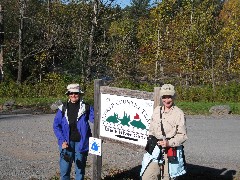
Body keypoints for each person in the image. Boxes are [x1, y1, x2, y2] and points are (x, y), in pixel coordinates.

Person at [140, 84, 188, 180]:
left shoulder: (179, 113)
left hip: (171, 150)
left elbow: (182, 135)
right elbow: (151, 128)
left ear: (173, 97)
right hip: (155, 149)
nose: (167, 100)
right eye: (164, 97)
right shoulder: (157, 110)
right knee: (147, 176)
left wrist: (168, 143)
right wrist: (151, 141)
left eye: (169, 97)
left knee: (167, 177)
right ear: (161, 98)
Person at [53, 83, 94, 180]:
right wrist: (62, 140)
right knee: (64, 171)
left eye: (76, 93)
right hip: (66, 143)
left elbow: (96, 120)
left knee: (80, 171)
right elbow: (56, 126)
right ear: (68, 94)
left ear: (79, 94)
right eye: (71, 93)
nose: (73, 95)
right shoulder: (62, 108)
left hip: (81, 143)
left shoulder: (86, 107)